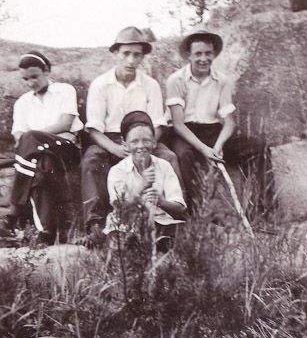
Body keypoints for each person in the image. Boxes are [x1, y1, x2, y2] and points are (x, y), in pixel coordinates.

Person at [81, 26, 183, 235]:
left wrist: (146, 145)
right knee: (91, 160)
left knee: (169, 156)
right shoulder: (101, 84)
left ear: (142, 57)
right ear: (116, 54)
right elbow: (93, 128)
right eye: (126, 54)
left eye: (137, 55)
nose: (131, 60)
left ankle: (179, 215)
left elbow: (158, 124)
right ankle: (94, 226)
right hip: (109, 139)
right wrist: (116, 149)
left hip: (144, 138)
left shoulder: (150, 84)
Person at [166, 26, 272, 214]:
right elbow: (178, 124)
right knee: (184, 156)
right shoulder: (176, 80)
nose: (203, 59)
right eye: (198, 54)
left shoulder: (223, 80)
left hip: (214, 132)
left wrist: (219, 145)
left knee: (259, 148)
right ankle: (196, 214)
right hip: (184, 133)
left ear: (214, 54)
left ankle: (263, 210)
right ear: (189, 56)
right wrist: (204, 149)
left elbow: (229, 122)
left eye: (208, 53)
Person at [6, 51, 83, 245]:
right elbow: (18, 136)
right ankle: (46, 231)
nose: (31, 83)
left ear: (46, 71)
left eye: (35, 77)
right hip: (41, 154)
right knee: (41, 166)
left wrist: (34, 136)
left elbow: (66, 123)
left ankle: (14, 209)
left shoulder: (64, 90)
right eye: (25, 79)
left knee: (31, 138)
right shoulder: (22, 103)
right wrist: (31, 140)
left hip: (66, 147)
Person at [104, 111, 186, 240]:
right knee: (123, 238)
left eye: (146, 141)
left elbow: (180, 208)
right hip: (126, 225)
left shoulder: (164, 166)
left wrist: (161, 202)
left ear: (154, 142)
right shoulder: (117, 171)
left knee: (186, 233)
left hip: (160, 222)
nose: (141, 146)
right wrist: (142, 186)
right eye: (134, 141)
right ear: (125, 144)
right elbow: (120, 207)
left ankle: (159, 241)